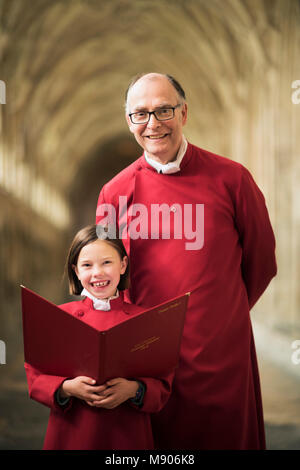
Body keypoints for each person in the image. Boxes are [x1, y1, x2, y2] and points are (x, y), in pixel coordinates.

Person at [95, 73, 277, 449]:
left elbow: (261, 262)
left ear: (184, 113)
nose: (153, 124)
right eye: (140, 114)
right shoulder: (113, 193)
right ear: (128, 121)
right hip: (144, 362)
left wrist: (221, 318)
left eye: (164, 110)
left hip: (220, 358)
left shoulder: (233, 180)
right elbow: (103, 277)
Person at [24, 224, 173, 450]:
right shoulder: (59, 317)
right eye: (87, 265)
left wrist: (134, 389)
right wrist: (66, 388)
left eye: (107, 262)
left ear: (123, 265)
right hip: (73, 432)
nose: (98, 273)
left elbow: (163, 384)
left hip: (127, 434)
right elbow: (35, 377)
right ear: (76, 270)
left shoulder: (147, 321)